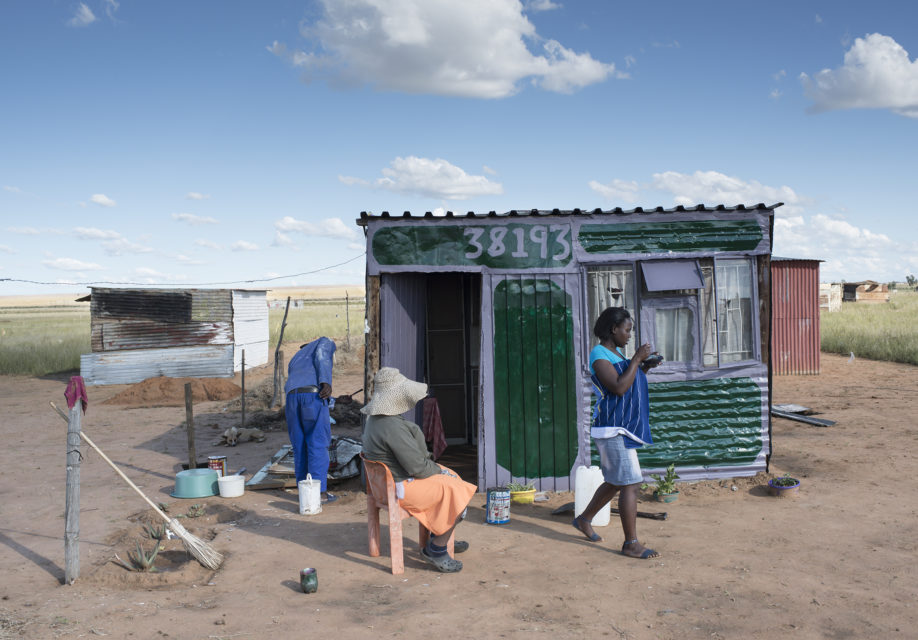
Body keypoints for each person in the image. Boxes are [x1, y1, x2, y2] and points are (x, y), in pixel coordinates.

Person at [361, 367, 476, 573]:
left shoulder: (376, 420)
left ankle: (442, 533)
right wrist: (439, 471)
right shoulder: (392, 426)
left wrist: (440, 471)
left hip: (386, 484)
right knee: (457, 490)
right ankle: (437, 548)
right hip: (400, 486)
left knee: (454, 478)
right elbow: (417, 467)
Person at [572, 307, 662, 559]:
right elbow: (618, 387)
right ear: (613, 329)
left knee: (615, 481)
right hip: (612, 429)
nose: (629, 335)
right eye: (627, 329)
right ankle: (631, 543)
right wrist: (635, 359)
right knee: (631, 483)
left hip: (619, 427)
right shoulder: (599, 355)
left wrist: (645, 367)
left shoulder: (616, 353)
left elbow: (629, 380)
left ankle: (585, 519)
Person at [285, 336, 337, 503]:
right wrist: (326, 382)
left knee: (299, 446)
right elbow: (322, 355)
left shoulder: (296, 358)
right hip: (312, 398)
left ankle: (304, 493)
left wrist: (334, 399)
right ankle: (319, 494)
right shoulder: (323, 343)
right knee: (317, 444)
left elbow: (303, 390)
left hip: (292, 401)